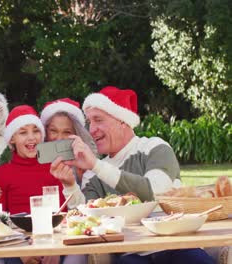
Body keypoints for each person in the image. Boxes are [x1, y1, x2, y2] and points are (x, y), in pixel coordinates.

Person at [50, 86, 214, 264]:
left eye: (98, 120)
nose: (92, 129)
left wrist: (97, 165)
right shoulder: (93, 172)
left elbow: (156, 191)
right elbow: (85, 219)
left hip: (175, 245)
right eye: (90, 122)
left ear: (123, 121)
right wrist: (70, 185)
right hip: (130, 254)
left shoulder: (154, 147)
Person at [0, 105, 84, 215]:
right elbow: (0, 221)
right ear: (12, 138)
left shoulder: (57, 167)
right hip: (19, 231)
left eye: (36, 131)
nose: (31, 137)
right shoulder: (2, 173)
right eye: (23, 132)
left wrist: (71, 185)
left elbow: (77, 211)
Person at [40, 98, 97, 187]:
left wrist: (82, 177)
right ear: (45, 131)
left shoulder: (86, 162)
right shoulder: (36, 162)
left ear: (77, 134)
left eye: (67, 132)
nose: (59, 138)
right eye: (53, 131)